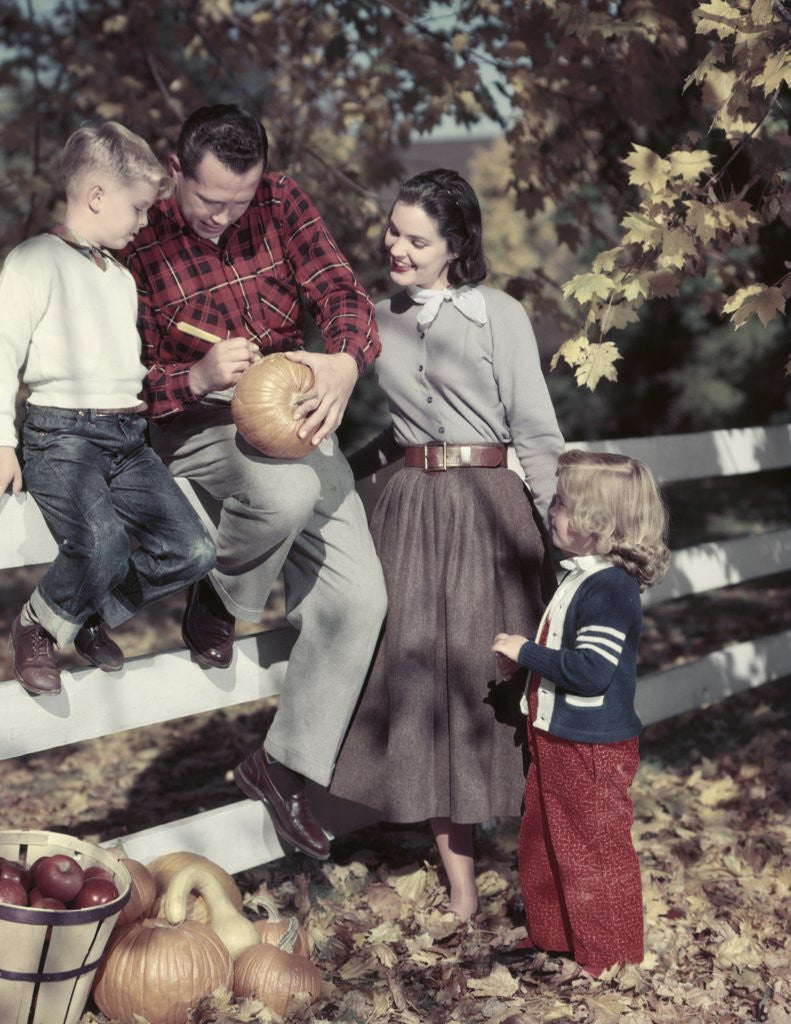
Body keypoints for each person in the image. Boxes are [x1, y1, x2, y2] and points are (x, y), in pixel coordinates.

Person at [123, 104, 387, 862]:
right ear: (176, 172)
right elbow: (118, 381)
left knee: (360, 600)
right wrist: (193, 376)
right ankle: (220, 599)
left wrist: (341, 359)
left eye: (238, 201)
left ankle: (282, 766)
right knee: (282, 493)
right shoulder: (138, 237)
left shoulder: (282, 200)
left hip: (293, 411)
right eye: (209, 200)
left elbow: (340, 291)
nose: (223, 216)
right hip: (196, 425)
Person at [329, 168, 565, 920]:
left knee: (484, 683)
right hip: (407, 513)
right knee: (420, 683)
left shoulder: (500, 315)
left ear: (456, 245)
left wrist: (563, 533)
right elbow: (388, 430)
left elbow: (533, 430)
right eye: (392, 231)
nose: (394, 247)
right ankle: (459, 887)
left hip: (489, 514)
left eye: (414, 238)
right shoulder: (373, 317)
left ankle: (548, 868)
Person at [0, 121, 216, 698]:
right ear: (97, 196)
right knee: (101, 541)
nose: (145, 222)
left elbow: (122, 369)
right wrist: (1, 440)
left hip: (128, 438)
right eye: (139, 208)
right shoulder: (34, 261)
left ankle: (85, 612)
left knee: (193, 549)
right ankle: (38, 626)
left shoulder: (119, 278)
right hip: (61, 438)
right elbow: (1, 350)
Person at [492, 449, 670, 976]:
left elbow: (592, 670)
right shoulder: (582, 576)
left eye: (566, 504)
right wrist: (524, 670)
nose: (553, 509)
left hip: (591, 745)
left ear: (600, 523)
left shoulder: (611, 589)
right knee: (545, 837)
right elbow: (568, 652)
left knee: (594, 850)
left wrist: (526, 652)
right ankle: (556, 937)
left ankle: (610, 957)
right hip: (557, 735)